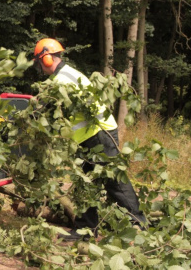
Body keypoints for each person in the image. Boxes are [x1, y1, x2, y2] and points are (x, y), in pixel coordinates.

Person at [33, 38, 147, 241]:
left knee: (115, 183)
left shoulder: (62, 81)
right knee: (88, 185)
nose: (40, 67)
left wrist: (38, 109)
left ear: (47, 59)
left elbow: (54, 108)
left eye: (39, 61)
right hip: (89, 138)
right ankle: (85, 230)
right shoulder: (65, 76)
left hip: (100, 135)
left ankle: (139, 227)